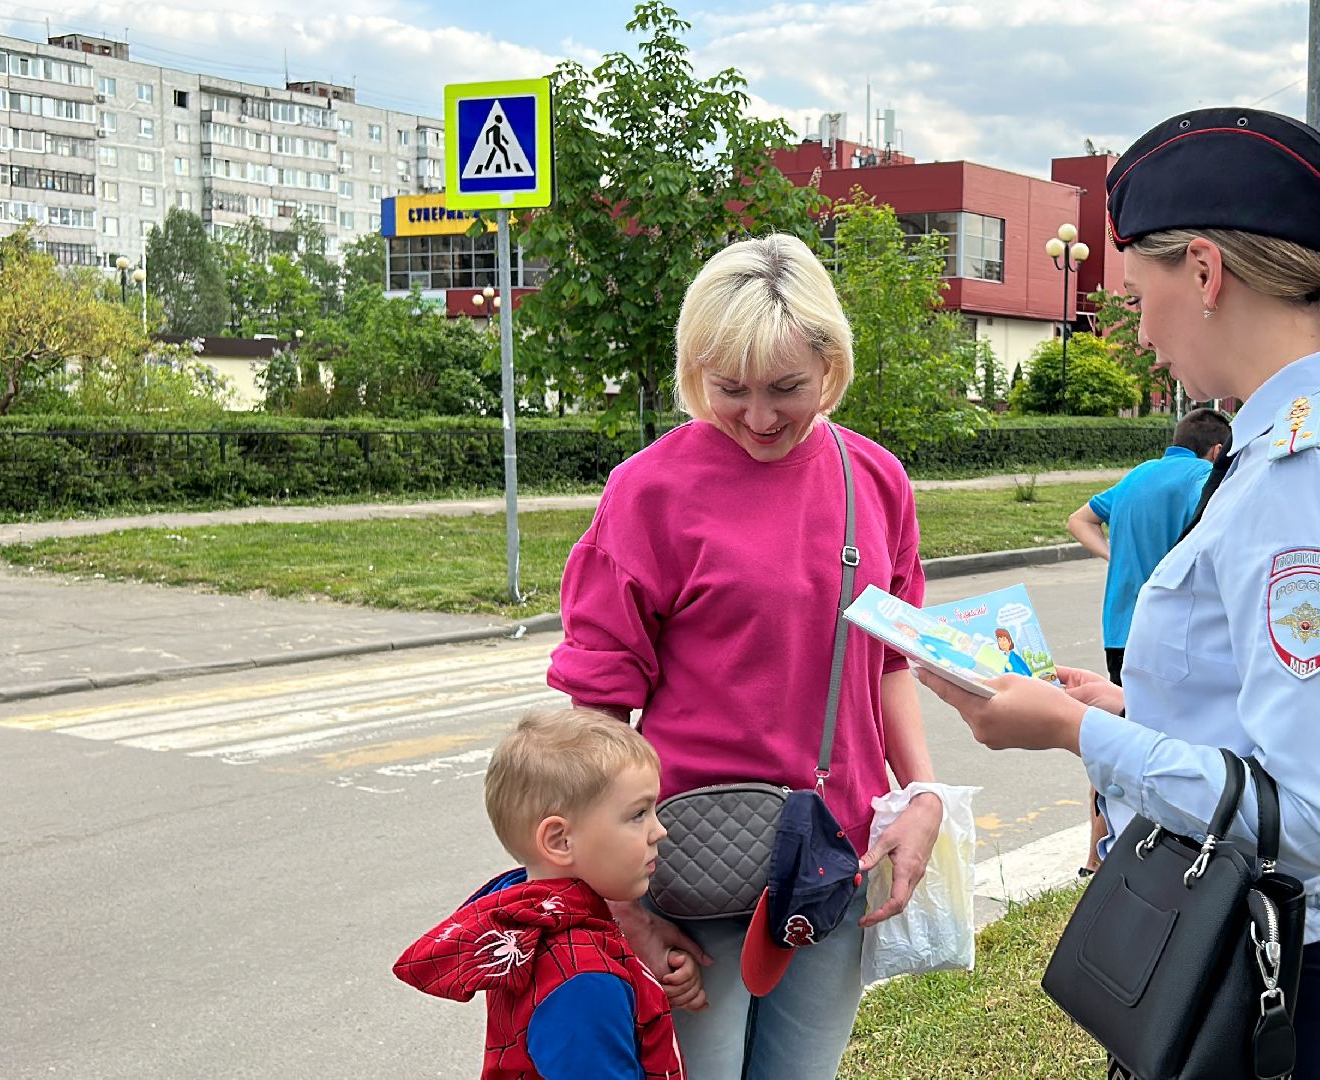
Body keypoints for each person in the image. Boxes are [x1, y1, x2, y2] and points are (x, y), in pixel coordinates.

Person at [917, 107, 1320, 1079]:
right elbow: (1266, 721)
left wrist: (1076, 733)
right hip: (1253, 953)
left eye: (1136, 293)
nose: (1136, 327)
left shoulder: (1308, 472)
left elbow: (1313, 818)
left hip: (1274, 971)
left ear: (1204, 273)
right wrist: (1131, 708)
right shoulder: (1287, 444)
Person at [545, 234, 945, 1079]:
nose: (760, 418)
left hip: (834, 864)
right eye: (730, 389)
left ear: (830, 365)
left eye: (787, 389)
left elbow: (890, 664)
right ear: (697, 371)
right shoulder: (648, 492)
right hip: (686, 869)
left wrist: (921, 800)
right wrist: (621, 905)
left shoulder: (875, 480)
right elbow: (595, 715)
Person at [394, 709, 685, 1080]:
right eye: (638, 814)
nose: (659, 830)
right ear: (560, 840)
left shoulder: (530, 918)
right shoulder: (583, 982)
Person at [1063, 406, 1231, 874]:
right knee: (1171, 744)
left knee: (1117, 731)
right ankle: (1164, 855)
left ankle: (1095, 857)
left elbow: (1079, 520)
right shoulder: (1205, 478)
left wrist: (1115, 555)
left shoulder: (1137, 477)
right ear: (1217, 450)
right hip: (1172, 634)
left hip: (1120, 629)